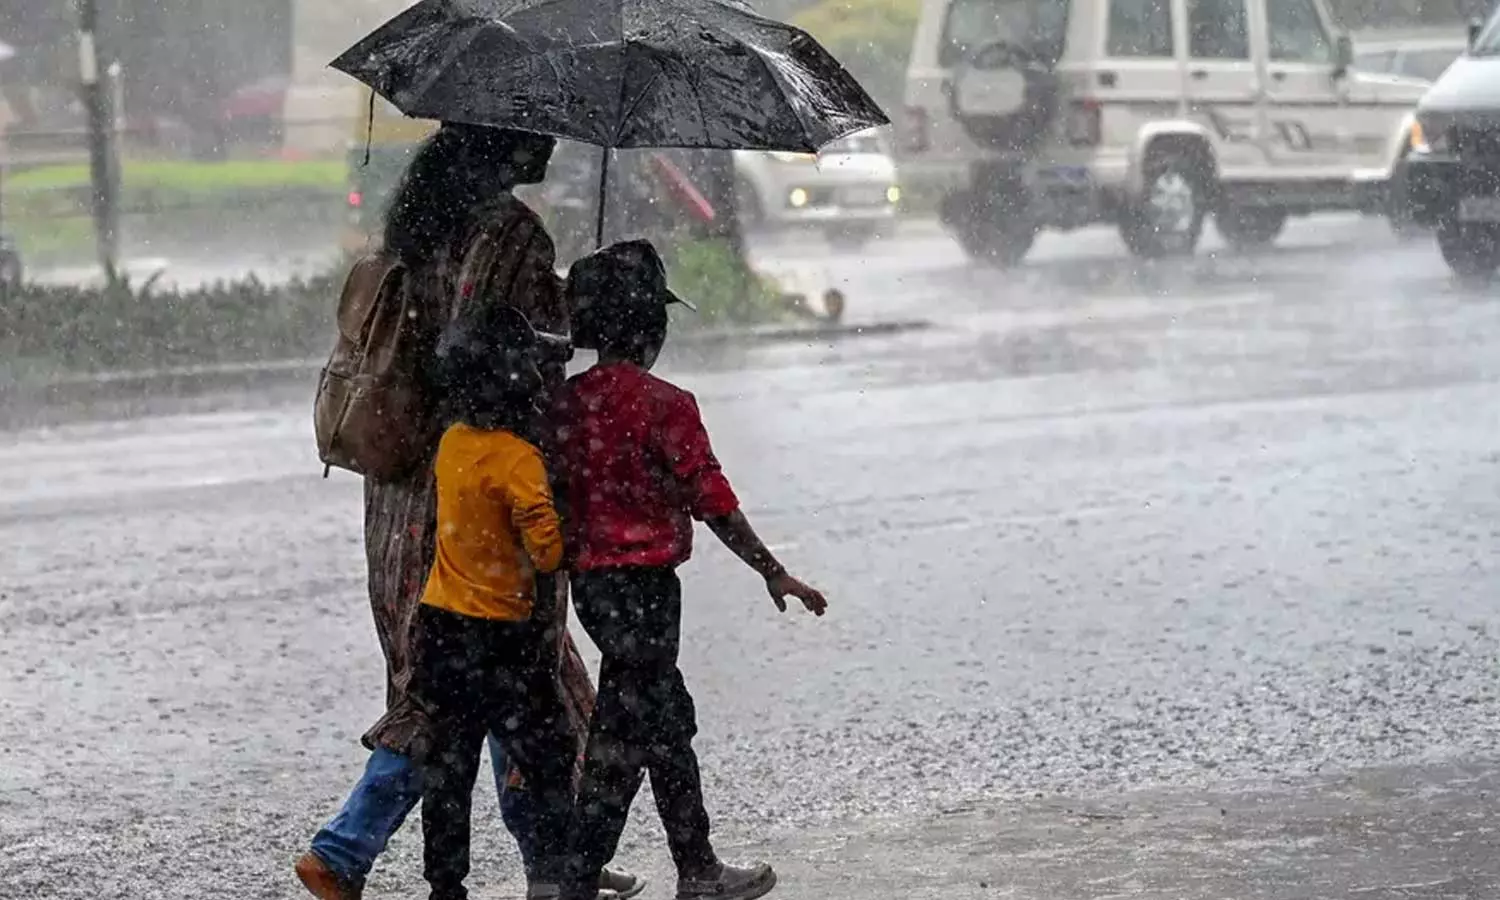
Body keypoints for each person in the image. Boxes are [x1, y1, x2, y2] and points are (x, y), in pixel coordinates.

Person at [295, 123, 640, 900]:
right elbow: (508, 353)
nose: (553, 142)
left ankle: (556, 855)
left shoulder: (417, 226)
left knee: (492, 678)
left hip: (404, 492)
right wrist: (580, 311)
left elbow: (442, 346)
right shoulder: (509, 231)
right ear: (502, 141)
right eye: (537, 128)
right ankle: (344, 851)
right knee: (484, 690)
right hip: (485, 491)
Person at [553, 241, 830, 900]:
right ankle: (662, 872)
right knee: (646, 725)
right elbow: (711, 498)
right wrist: (772, 569)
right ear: (653, 327)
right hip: (648, 591)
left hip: (590, 589)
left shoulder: (561, 405)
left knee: (644, 723)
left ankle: (611, 872)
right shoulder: (665, 404)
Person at [412, 305, 574, 900]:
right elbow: (549, 553)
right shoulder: (520, 461)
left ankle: (446, 884)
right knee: (546, 753)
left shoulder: (452, 444)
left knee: (449, 768)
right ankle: (555, 873)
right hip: (503, 638)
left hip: (441, 631)